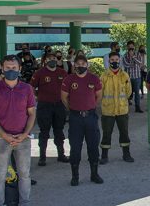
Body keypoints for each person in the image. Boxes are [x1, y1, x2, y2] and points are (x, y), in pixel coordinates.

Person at [0, 55, 37, 206]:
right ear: (2, 69)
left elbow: (32, 113)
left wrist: (24, 134)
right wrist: (4, 135)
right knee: (0, 175)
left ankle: (25, 205)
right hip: (2, 139)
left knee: (25, 174)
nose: (10, 71)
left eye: (14, 68)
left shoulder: (27, 89)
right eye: (7, 68)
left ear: (19, 69)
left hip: (23, 138)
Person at [61, 54, 104, 186]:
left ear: (87, 65)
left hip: (91, 117)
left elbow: (99, 96)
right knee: (75, 148)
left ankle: (94, 174)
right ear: (74, 66)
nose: (80, 66)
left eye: (83, 64)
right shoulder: (69, 79)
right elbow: (64, 98)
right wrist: (73, 109)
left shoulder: (94, 78)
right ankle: (75, 176)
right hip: (75, 118)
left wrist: (90, 107)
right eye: (78, 64)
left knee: (93, 146)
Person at [30, 52, 69, 166]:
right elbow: (31, 86)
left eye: (54, 58)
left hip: (59, 105)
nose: (52, 60)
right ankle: (42, 157)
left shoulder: (62, 72)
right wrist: (36, 97)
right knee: (44, 132)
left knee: (59, 130)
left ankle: (61, 154)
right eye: (49, 59)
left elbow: (67, 88)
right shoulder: (39, 73)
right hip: (44, 105)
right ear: (45, 61)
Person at [100, 52, 134, 164]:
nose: (115, 61)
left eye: (116, 59)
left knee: (124, 133)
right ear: (109, 61)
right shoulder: (104, 76)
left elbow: (128, 92)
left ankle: (126, 154)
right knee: (106, 134)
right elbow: (99, 93)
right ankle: (104, 156)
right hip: (108, 110)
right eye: (112, 59)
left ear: (120, 60)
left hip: (122, 110)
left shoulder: (124, 75)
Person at [123, 41, 144, 113]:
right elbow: (127, 65)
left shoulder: (138, 54)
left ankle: (137, 107)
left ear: (134, 47)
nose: (131, 48)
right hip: (128, 77)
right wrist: (132, 60)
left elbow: (140, 64)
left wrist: (133, 57)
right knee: (128, 92)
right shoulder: (125, 55)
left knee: (137, 93)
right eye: (129, 47)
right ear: (127, 47)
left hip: (137, 76)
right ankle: (125, 106)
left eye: (132, 47)